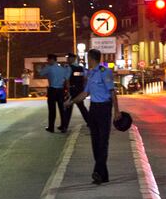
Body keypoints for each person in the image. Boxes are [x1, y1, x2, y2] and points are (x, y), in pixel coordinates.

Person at [67, 49, 120, 184]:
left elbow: (112, 92)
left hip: (104, 108)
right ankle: (103, 175)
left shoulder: (104, 72)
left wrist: (116, 111)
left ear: (92, 58)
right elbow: (85, 93)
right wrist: (71, 102)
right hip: (94, 109)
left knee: (103, 141)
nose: (87, 60)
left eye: (88, 58)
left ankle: (97, 171)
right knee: (95, 142)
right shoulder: (90, 74)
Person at [39, 54, 71, 133]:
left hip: (52, 90)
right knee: (62, 109)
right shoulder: (62, 69)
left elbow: (41, 73)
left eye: (48, 60)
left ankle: (51, 127)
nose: (48, 61)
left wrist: (39, 69)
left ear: (51, 60)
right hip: (60, 90)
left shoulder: (49, 68)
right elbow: (67, 77)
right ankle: (64, 127)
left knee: (52, 110)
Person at [63, 56, 90, 126]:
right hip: (79, 90)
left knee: (68, 108)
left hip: (72, 90)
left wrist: (68, 91)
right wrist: (83, 88)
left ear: (73, 59)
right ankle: (89, 122)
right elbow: (84, 79)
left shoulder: (69, 68)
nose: (67, 60)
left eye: (68, 58)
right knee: (82, 107)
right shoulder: (81, 68)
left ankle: (64, 126)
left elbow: (67, 80)